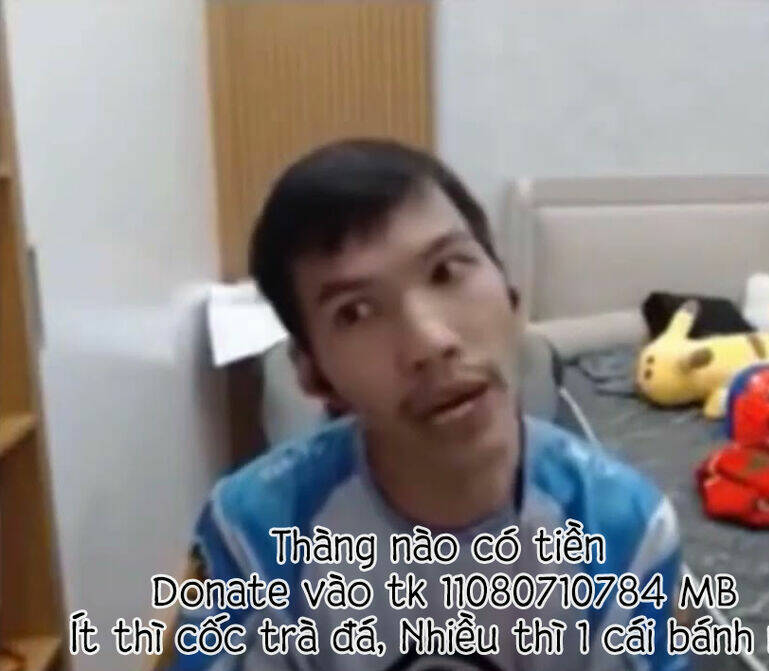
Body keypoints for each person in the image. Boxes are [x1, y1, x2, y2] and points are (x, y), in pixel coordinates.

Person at [162, 139, 686, 671]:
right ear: (315, 374)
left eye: (446, 272)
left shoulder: (625, 531)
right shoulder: (251, 534)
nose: (431, 342)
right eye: (356, 311)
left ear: (512, 297)